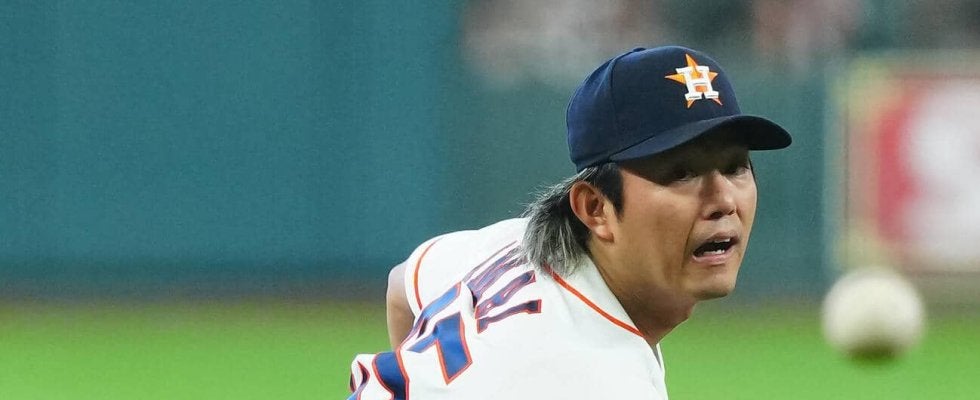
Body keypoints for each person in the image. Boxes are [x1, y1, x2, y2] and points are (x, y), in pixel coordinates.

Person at [347, 45, 792, 399]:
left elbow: (401, 284)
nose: (723, 200)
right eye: (681, 173)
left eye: (735, 167)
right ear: (595, 208)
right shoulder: (590, 379)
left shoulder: (514, 244)